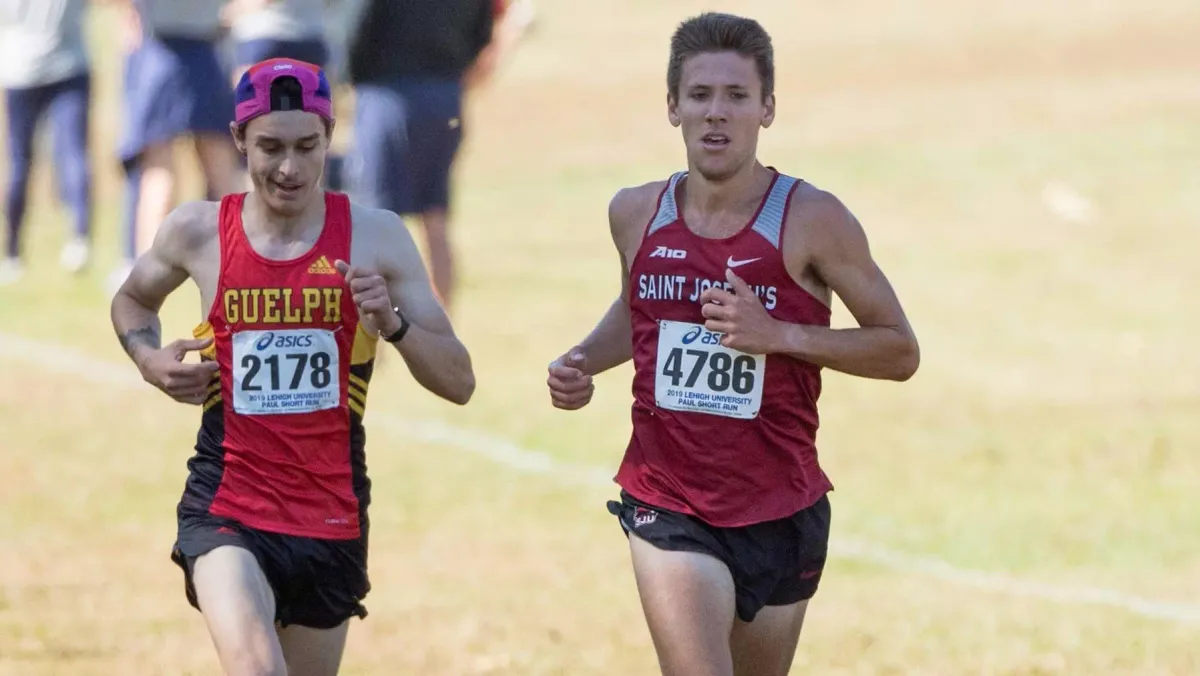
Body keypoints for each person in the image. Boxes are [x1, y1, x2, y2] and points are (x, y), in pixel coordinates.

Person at [545, 13, 920, 676]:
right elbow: (641, 310)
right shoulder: (635, 213)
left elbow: (898, 350)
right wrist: (582, 363)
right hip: (669, 502)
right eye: (700, 96)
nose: (716, 114)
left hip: (783, 505)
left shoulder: (813, 220)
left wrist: (780, 336)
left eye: (736, 96)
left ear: (767, 108)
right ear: (672, 107)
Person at [110, 58, 475, 676]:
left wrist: (392, 323)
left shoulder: (377, 238)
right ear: (237, 141)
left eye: (307, 146)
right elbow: (133, 300)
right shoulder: (199, 231)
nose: (289, 168)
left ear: (330, 136)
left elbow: (459, 381)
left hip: (329, 514)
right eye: (270, 147)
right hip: (227, 505)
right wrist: (149, 360)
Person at [345, 0, 494, 310]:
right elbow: (484, 33)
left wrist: (353, 77)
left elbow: (360, 30)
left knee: (377, 221)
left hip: (388, 96)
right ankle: (443, 332)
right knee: (436, 217)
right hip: (444, 98)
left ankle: (374, 340)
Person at [110, 0, 245, 291]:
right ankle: (241, 260)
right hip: (205, 55)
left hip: (161, 58)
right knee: (220, 168)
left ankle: (149, 269)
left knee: (160, 171)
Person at [0, 0, 93, 283]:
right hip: (64, 65)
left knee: (20, 160)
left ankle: (13, 252)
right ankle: (78, 237)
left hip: (22, 67)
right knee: (71, 153)